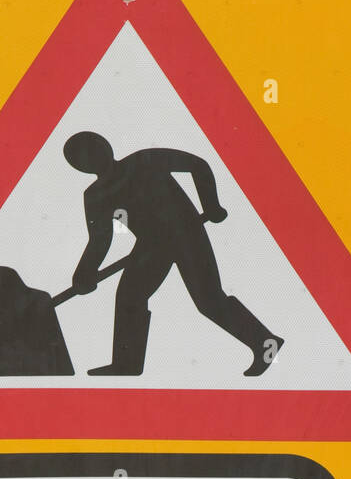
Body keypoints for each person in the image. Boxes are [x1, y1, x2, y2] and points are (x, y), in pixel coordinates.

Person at [63, 131, 284, 377]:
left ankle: (266, 343)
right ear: (79, 167)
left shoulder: (143, 160)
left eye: (92, 150)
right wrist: (84, 272)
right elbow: (100, 240)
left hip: (185, 231)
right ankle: (126, 364)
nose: (91, 159)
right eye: (82, 159)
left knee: (209, 300)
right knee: (128, 297)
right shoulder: (95, 195)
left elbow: (197, 165)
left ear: (105, 146)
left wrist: (210, 204)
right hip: (150, 245)